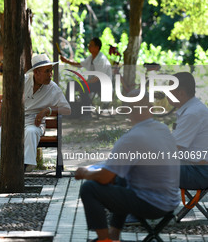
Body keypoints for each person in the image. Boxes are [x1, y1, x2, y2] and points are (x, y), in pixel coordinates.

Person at [75, 90, 180, 242]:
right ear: (150, 107)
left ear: (127, 110)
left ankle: (105, 240)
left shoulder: (131, 139)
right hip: (171, 201)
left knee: (89, 188)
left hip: (153, 204)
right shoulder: (162, 129)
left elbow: (104, 178)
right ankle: (114, 235)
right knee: (121, 178)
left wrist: (85, 173)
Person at [0, 54, 71, 182]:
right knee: (3, 132)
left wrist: (47, 110)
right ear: (36, 72)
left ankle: (23, 169)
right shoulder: (22, 81)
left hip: (34, 123)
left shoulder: (53, 88)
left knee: (30, 132)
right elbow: (5, 102)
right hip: (15, 120)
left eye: (51, 71)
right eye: (47, 71)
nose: (50, 74)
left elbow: (67, 109)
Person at [167, 72, 208, 189]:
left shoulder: (192, 114)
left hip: (198, 173)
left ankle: (152, 206)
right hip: (194, 167)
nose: (166, 94)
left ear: (181, 93)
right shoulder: (193, 109)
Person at [60, 37, 112, 106]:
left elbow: (97, 78)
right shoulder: (91, 57)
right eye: (89, 45)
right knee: (71, 85)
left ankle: (87, 112)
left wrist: (85, 83)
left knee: (83, 87)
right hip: (92, 82)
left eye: (91, 45)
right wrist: (67, 61)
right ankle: (70, 109)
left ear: (97, 47)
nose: (89, 47)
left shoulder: (102, 59)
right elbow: (79, 64)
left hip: (101, 84)